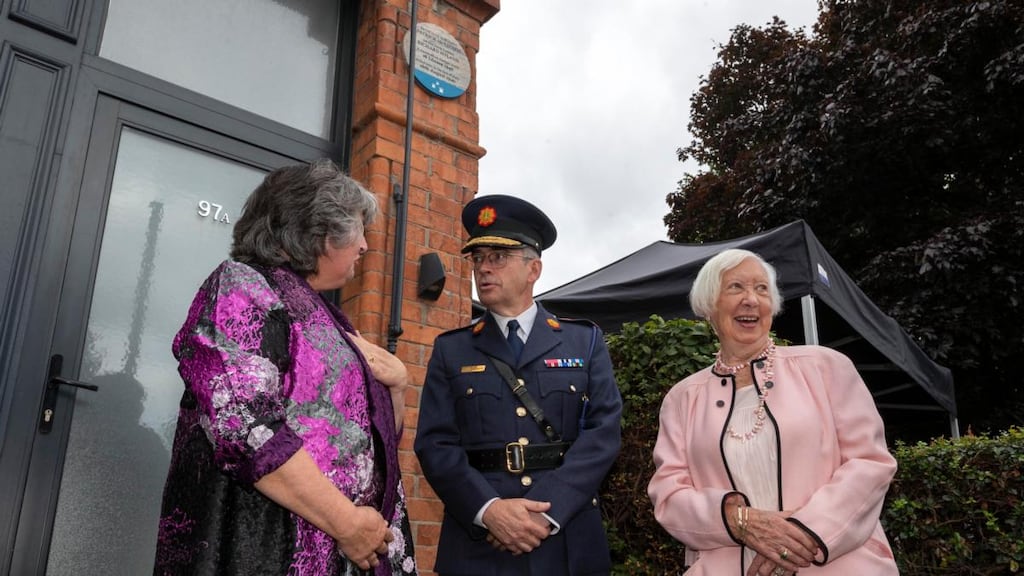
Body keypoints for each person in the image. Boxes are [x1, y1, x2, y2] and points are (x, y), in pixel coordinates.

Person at [153, 159, 417, 576]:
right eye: (357, 230)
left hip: (344, 549)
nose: (365, 246)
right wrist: (346, 522)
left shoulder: (331, 317)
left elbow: (372, 439)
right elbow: (245, 425)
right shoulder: (243, 286)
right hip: (268, 544)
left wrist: (398, 387)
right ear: (316, 232)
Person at [647, 248, 899, 576]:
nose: (751, 299)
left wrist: (804, 535)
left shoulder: (826, 367)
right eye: (735, 287)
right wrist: (740, 522)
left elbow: (870, 462)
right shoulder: (682, 399)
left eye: (762, 289)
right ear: (709, 306)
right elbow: (669, 494)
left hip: (837, 563)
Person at [415, 195, 623, 575]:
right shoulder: (452, 349)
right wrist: (489, 510)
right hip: (479, 545)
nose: (483, 269)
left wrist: (548, 511)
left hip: (566, 540)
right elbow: (435, 443)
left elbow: (603, 434)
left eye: (498, 257)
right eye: (478, 259)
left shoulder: (584, 341)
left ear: (534, 269)